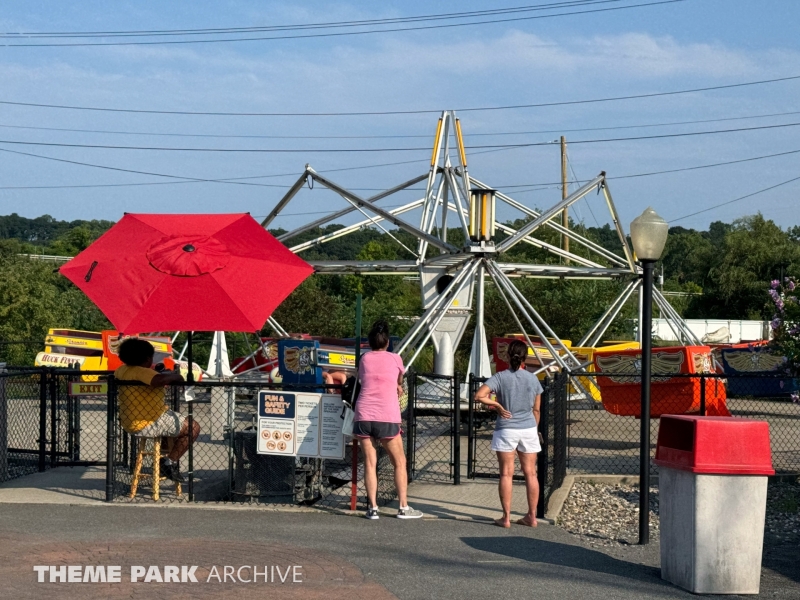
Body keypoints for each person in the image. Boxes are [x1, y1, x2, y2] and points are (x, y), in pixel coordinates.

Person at [354, 320, 422, 520]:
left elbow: (362, 378)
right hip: (386, 416)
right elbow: (398, 380)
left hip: (363, 415)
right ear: (387, 342)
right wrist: (397, 385)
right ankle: (403, 507)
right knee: (399, 462)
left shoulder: (364, 358)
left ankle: (373, 508)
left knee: (369, 462)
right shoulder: (395, 358)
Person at [474, 339, 542, 528]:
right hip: (528, 428)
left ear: (507, 356)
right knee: (531, 473)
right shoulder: (533, 378)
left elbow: (479, 396)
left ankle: (506, 518)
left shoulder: (500, 377)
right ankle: (532, 516)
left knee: (506, 474)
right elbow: (537, 410)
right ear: (525, 357)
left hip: (506, 428)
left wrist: (497, 406)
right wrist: (533, 429)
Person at [114, 338, 200, 483]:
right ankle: (169, 463)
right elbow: (157, 381)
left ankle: (162, 458)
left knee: (174, 422)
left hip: (130, 422)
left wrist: (159, 374)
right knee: (193, 427)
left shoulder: (122, 370)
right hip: (149, 421)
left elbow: (150, 379)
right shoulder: (142, 372)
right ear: (147, 358)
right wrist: (176, 376)